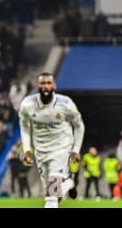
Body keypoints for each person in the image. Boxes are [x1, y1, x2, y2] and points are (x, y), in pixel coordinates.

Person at [19, 72, 85, 208]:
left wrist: (75, 149)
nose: (45, 86)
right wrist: (27, 149)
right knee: (54, 195)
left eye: (49, 83)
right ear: (38, 85)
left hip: (61, 149)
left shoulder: (66, 104)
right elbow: (24, 125)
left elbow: (79, 125)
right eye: (42, 83)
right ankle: (68, 183)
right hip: (41, 152)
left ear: (54, 85)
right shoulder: (27, 104)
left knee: (51, 196)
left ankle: (64, 184)